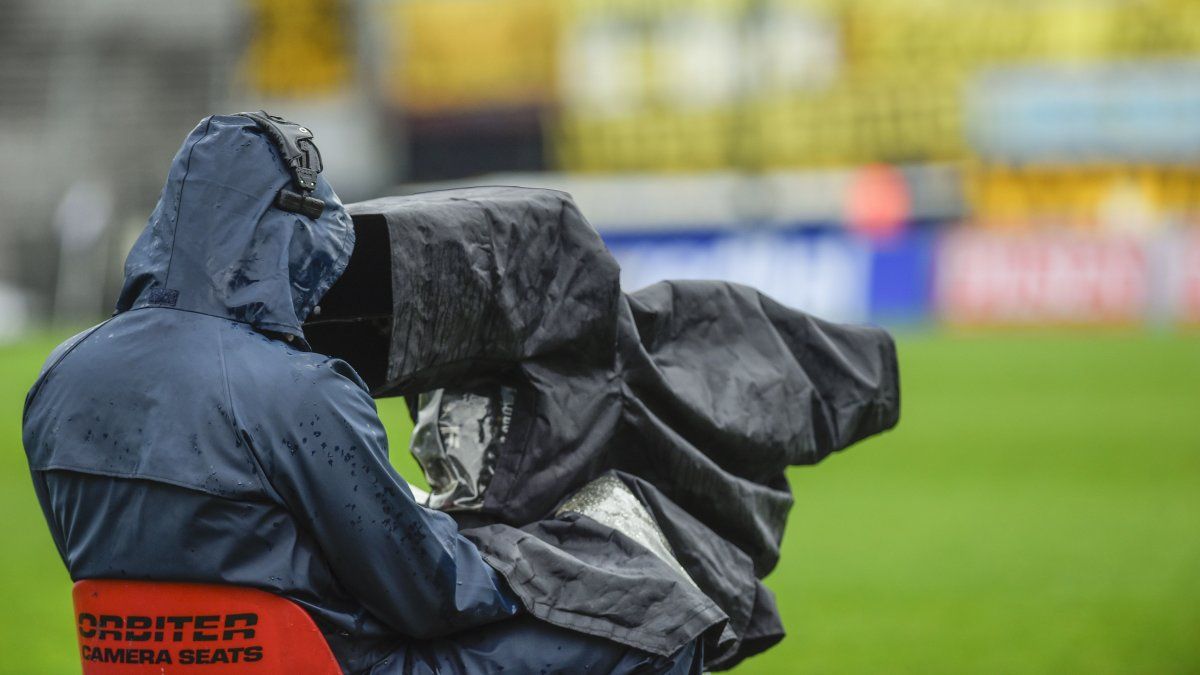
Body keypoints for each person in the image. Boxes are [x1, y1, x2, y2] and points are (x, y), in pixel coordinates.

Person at [22, 113, 702, 674]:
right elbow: (429, 595)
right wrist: (546, 557)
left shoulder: (59, 376)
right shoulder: (300, 391)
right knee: (658, 627)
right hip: (338, 661)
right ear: (287, 234)